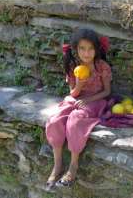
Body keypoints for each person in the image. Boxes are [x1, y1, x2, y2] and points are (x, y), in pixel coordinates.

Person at [44, 28, 111, 189]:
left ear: (96, 49)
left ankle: (73, 165)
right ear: (76, 49)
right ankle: (58, 164)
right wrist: (79, 85)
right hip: (76, 98)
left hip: (96, 100)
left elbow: (107, 91)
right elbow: (72, 93)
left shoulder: (102, 66)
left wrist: (88, 99)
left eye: (90, 49)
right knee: (55, 120)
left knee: (75, 121)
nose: (86, 53)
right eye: (82, 49)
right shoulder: (74, 66)